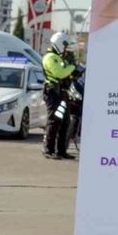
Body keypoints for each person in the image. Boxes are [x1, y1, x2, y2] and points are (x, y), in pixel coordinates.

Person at [42, 31, 77, 160]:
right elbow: (60, 73)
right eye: (65, 44)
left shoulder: (59, 57)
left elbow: (66, 74)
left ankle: (61, 151)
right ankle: (48, 150)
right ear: (60, 44)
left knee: (65, 122)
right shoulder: (50, 57)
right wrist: (73, 67)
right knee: (54, 121)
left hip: (61, 92)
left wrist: (73, 72)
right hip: (53, 92)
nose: (66, 47)